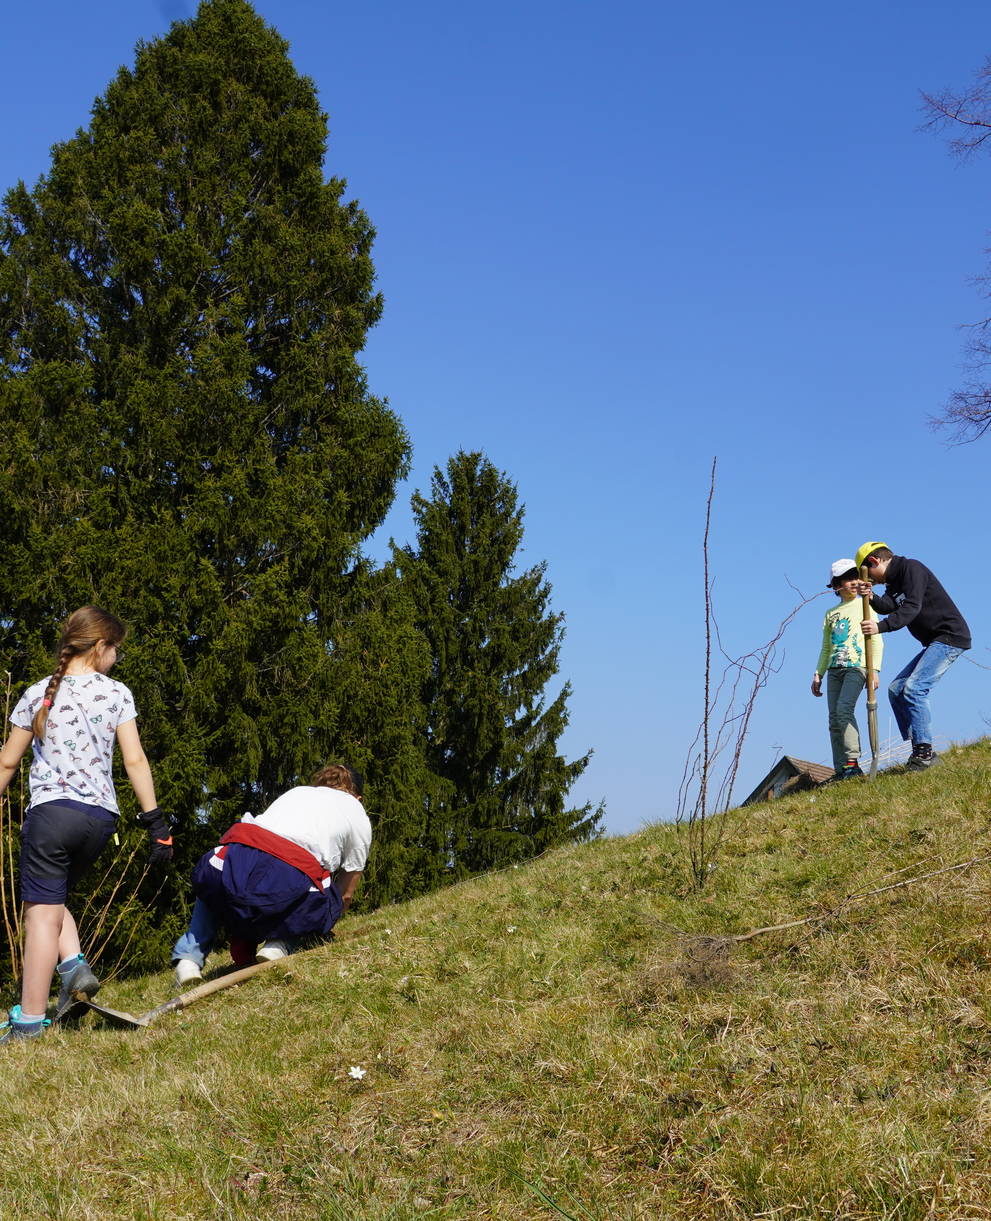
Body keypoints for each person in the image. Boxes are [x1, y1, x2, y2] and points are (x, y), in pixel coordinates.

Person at [0, 606, 172, 1043]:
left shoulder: (38, 693)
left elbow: (7, 760)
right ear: (100, 647)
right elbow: (134, 759)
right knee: (51, 898)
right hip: (99, 820)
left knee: (39, 915)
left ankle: (28, 1023)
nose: (117, 657)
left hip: (51, 816)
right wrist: (156, 823)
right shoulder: (117, 693)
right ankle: (74, 965)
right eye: (116, 648)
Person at [171, 763, 370, 984]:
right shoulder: (356, 812)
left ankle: (188, 960)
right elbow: (346, 893)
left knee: (214, 882)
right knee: (328, 897)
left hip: (230, 856)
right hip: (289, 870)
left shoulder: (299, 792)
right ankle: (280, 944)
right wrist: (324, 922)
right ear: (358, 797)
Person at [854, 541, 972, 771]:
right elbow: (889, 604)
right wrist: (871, 596)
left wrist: (881, 627)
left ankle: (923, 753)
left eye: (869, 575)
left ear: (874, 561)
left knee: (915, 688)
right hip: (934, 642)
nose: (872, 580)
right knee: (897, 689)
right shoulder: (893, 581)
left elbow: (911, 607)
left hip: (950, 636)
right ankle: (921, 747)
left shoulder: (911, 569)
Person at [812, 559, 883, 781]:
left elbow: (876, 639)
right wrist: (818, 673)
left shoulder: (866, 605)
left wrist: (875, 670)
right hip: (834, 669)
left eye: (856, 577)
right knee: (834, 718)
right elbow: (826, 647)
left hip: (857, 666)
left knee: (844, 709)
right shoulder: (830, 614)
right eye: (848, 579)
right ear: (836, 586)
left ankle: (853, 764)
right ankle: (841, 768)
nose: (853, 583)